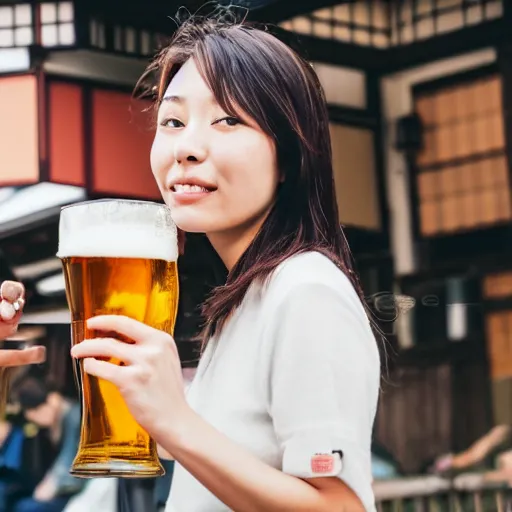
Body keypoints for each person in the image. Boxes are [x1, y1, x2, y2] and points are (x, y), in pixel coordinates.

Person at [4, 10, 381, 512]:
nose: (186, 148)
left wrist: (177, 424)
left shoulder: (305, 288)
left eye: (228, 120)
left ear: (290, 154)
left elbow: (341, 507)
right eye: (173, 122)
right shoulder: (241, 303)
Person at [9, 377, 84, 512]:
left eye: (36, 412)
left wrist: (52, 484)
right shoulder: (62, 418)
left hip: (83, 488)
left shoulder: (74, 417)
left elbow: (70, 460)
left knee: (26, 507)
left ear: (50, 400)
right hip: (69, 486)